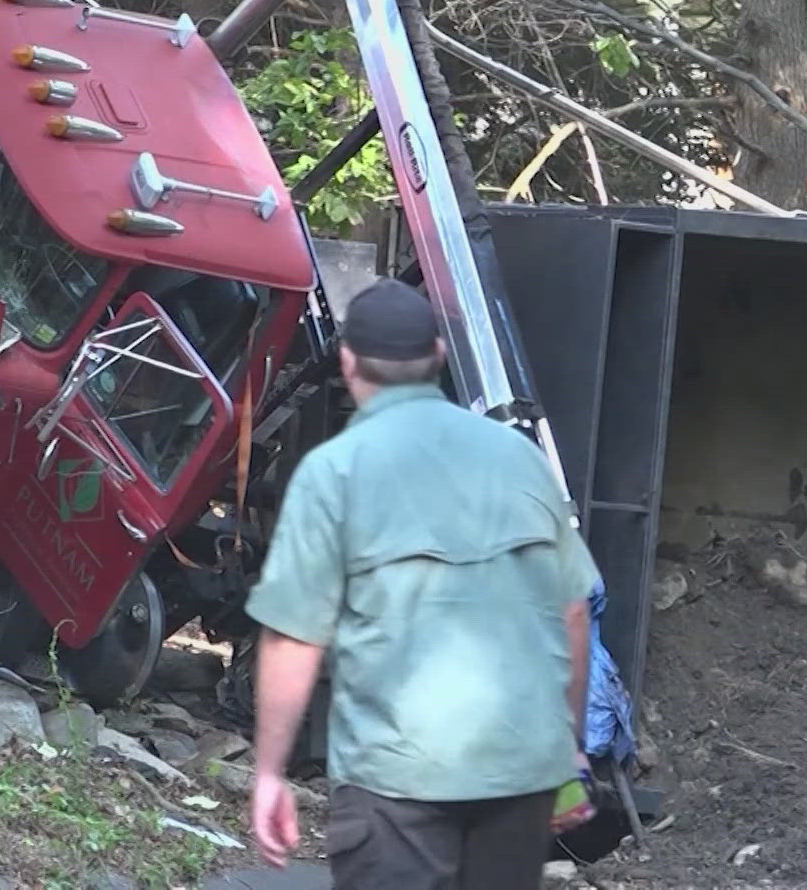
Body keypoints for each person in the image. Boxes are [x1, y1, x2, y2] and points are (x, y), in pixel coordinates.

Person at [244, 277, 599, 888]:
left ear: (349, 363)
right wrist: (564, 747)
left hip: (397, 780)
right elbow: (572, 611)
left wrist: (269, 772)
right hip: (519, 774)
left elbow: (293, 640)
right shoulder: (520, 459)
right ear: (438, 353)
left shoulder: (334, 472)